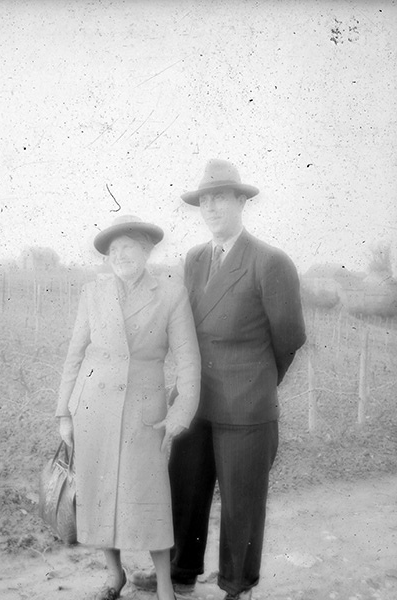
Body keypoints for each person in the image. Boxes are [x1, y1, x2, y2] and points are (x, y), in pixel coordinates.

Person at [131, 159, 307, 600]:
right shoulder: (194, 258)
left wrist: (257, 385)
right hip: (195, 400)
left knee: (242, 505)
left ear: (241, 202)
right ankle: (181, 574)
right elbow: (186, 328)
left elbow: (288, 340)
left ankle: (236, 586)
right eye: (204, 200)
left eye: (221, 198)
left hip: (246, 406)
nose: (210, 207)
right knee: (183, 490)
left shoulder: (270, 262)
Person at [55, 214, 201, 600]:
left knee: (149, 497)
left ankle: (166, 586)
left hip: (144, 412)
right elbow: (74, 355)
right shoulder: (93, 293)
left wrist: (180, 413)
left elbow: (188, 360)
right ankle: (114, 575)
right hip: (94, 410)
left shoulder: (171, 295)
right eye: (114, 250)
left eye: (129, 248)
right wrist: (63, 413)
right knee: (100, 494)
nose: (121, 256)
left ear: (147, 251)